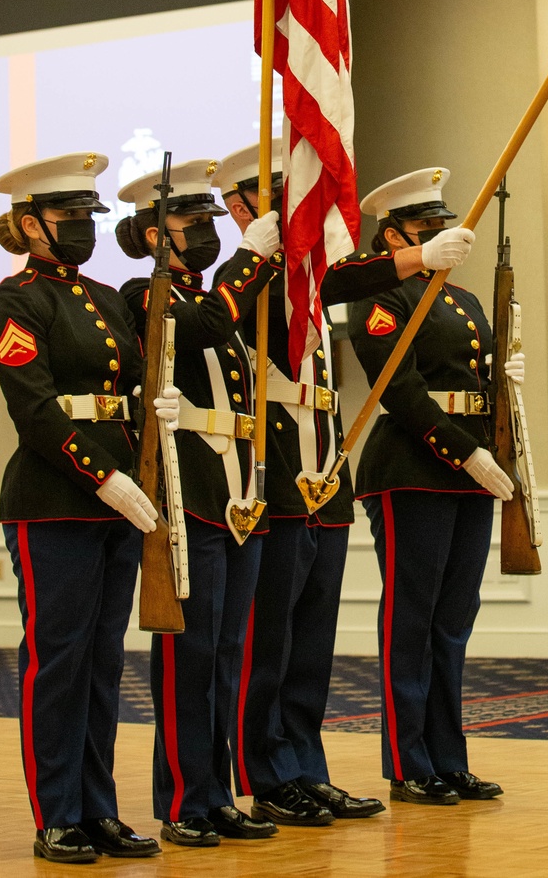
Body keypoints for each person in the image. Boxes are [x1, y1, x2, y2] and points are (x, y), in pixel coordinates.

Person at [213, 142, 476, 827]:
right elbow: (221, 325)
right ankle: (267, 772)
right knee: (268, 635)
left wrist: (420, 258)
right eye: (280, 202)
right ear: (241, 209)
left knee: (312, 637)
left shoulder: (313, 275)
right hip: (270, 459)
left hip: (321, 464)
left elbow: (348, 277)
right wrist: (252, 255)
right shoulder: (243, 279)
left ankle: (304, 762)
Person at [0, 153, 163, 865]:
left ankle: (99, 810)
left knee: (102, 664)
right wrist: (102, 477)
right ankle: (57, 814)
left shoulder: (107, 296)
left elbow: (132, 384)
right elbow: (33, 409)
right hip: (55, 500)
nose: (85, 230)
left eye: (92, 218)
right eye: (70, 220)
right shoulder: (17, 300)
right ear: (31, 225)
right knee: (56, 663)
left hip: (118, 500)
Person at [117, 158, 284, 850]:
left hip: (234, 491)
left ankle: (215, 794)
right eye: (191, 224)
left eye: (210, 223)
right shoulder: (142, 293)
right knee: (189, 655)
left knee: (224, 653)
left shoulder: (214, 294)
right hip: (187, 491)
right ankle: (184, 797)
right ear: (156, 235)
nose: (206, 235)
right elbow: (206, 327)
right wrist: (250, 260)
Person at [348, 166, 523, 806]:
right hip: (414, 469)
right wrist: (465, 452)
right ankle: (408, 760)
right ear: (392, 235)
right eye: (425, 229)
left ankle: (448, 757)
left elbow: (474, 375)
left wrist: (507, 376)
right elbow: (399, 389)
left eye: (439, 226)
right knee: (411, 619)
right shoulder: (379, 299)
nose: (439, 237)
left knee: (453, 620)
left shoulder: (461, 298)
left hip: (469, 471)